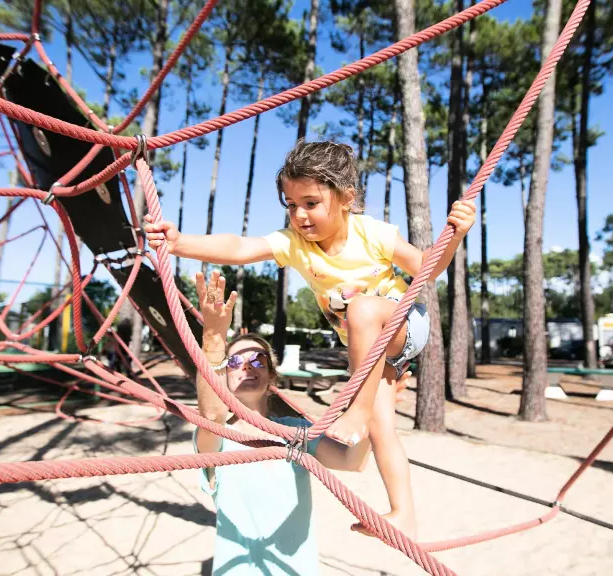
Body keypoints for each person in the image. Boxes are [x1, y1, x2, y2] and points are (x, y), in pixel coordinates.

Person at [145, 140, 476, 536]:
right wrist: (180, 243)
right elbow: (240, 246)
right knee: (382, 426)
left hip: (404, 325)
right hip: (372, 354)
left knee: (361, 310)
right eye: (291, 204)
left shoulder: (371, 233)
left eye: (311, 203)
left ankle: (356, 410)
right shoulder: (294, 243)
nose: (299, 215)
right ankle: (403, 513)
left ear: (346, 199)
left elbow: (426, 267)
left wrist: (454, 236)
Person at [192, 270, 413, 575]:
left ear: (271, 376)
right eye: (235, 362)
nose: (247, 367)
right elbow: (211, 415)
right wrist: (214, 337)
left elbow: (352, 461)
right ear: (224, 375)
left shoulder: (295, 431)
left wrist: (375, 407)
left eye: (257, 361)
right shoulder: (220, 437)